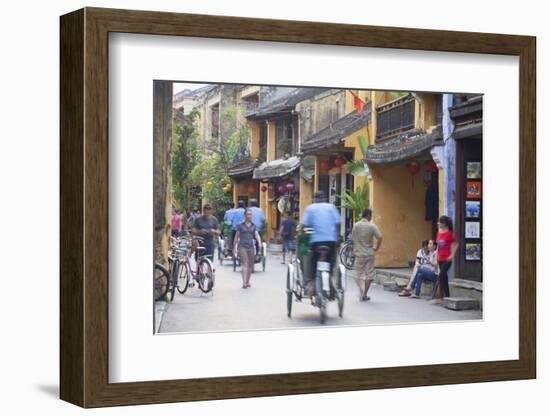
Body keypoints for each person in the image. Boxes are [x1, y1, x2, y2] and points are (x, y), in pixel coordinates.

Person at [300, 191, 341, 284]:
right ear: (324, 199)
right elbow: (338, 223)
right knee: (331, 259)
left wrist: (301, 233)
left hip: (316, 242)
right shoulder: (331, 207)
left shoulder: (310, 208)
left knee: (312, 261)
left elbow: (303, 225)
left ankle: (312, 281)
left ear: (314, 199)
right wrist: (337, 234)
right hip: (331, 241)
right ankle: (330, 276)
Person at [352, 208, 383, 301]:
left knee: (357, 274)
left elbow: (354, 238)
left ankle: (360, 289)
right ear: (368, 215)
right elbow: (380, 237)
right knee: (369, 275)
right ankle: (365, 294)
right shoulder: (372, 226)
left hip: (359, 254)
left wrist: (355, 249)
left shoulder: (356, 226)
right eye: (371, 216)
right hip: (369, 253)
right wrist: (376, 248)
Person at [233, 208, 262, 289]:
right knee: (245, 264)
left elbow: (256, 235)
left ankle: (248, 281)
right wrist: (234, 247)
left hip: (251, 247)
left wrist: (259, 243)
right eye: (247, 214)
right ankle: (244, 282)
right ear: (245, 215)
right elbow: (236, 237)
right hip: (242, 247)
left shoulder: (253, 225)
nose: (249, 216)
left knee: (250, 265)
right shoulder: (240, 225)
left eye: (250, 214)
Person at [433, 215, 458, 302]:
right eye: (438, 222)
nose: (438, 223)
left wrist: (452, 255)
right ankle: (447, 297)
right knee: (444, 278)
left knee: (441, 276)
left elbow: (456, 244)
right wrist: (436, 259)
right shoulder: (438, 233)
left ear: (445, 224)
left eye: (440, 222)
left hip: (447, 259)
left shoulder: (450, 234)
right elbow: (438, 248)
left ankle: (438, 296)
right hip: (440, 259)